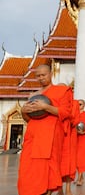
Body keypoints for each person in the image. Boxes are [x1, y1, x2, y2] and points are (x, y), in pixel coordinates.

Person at [18, 64, 73, 195]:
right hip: (33, 135)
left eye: (44, 75)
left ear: (51, 74)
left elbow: (66, 113)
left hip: (51, 135)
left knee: (47, 170)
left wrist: (45, 107)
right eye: (38, 76)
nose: (41, 78)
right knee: (27, 168)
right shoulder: (34, 95)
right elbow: (29, 119)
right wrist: (23, 111)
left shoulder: (62, 91)